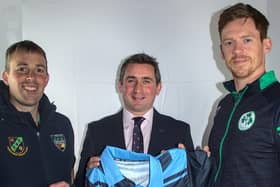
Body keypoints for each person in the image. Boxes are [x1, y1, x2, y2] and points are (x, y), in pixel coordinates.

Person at [74, 53, 194, 187]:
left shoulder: (179, 131)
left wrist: (193, 166)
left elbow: (192, 182)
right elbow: (79, 183)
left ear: (158, 87)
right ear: (120, 85)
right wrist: (88, 174)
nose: (138, 89)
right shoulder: (96, 131)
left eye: (146, 81)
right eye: (131, 81)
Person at [207, 3, 280, 187]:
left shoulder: (277, 101)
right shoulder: (224, 104)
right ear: (222, 51)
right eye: (229, 43)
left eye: (247, 40)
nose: (237, 51)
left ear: (266, 45)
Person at [0, 40, 75, 187]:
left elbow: (69, 176)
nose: (31, 77)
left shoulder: (62, 124)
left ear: (46, 79)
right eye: (22, 69)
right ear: (6, 77)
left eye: (39, 70)